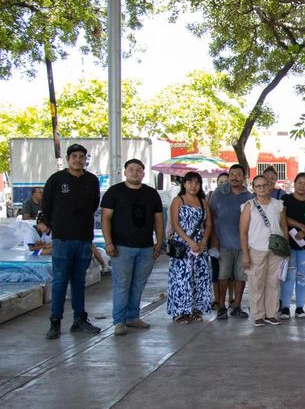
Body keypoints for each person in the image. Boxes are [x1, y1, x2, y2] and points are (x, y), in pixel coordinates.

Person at [41, 143, 101, 339]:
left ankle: (79, 320)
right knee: (60, 281)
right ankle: (55, 322)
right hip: (62, 239)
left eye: (81, 157)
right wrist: (58, 227)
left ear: (85, 159)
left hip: (84, 239)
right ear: (68, 159)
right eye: (74, 156)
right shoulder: (56, 179)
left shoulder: (92, 180)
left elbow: (93, 205)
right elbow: (47, 206)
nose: (78, 160)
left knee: (78, 281)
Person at [100, 158, 165, 336]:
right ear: (125, 172)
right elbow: (105, 218)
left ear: (143, 173)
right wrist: (108, 243)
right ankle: (119, 321)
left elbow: (158, 220)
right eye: (131, 169)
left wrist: (159, 242)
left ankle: (132, 316)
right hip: (121, 247)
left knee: (138, 284)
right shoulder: (114, 192)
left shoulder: (151, 194)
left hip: (146, 248)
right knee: (122, 284)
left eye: (138, 169)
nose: (135, 172)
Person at [240, 175, 289, 326]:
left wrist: (286, 248)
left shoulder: (278, 205)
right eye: (258, 186)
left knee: (273, 283)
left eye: (264, 185)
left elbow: (284, 226)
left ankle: (271, 314)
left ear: (269, 187)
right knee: (256, 283)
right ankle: (258, 315)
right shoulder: (249, 206)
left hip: (276, 250)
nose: (262, 188)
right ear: (253, 188)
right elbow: (242, 231)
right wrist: (246, 255)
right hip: (256, 249)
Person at [209, 164, 254, 320]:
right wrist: (214, 242)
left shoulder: (249, 197)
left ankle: (237, 307)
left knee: (241, 277)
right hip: (223, 244)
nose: (234, 177)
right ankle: (221, 307)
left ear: (243, 177)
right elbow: (211, 218)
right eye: (232, 174)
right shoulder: (218, 194)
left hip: (243, 245)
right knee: (223, 276)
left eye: (238, 174)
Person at [167, 171, 213, 324]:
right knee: (181, 278)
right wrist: (189, 242)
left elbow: (208, 224)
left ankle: (195, 309)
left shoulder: (203, 202)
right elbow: (176, 224)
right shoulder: (178, 200)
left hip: (200, 246)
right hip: (182, 245)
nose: (193, 185)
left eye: (197, 183)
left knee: (198, 278)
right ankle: (180, 312)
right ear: (184, 184)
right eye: (190, 182)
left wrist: (204, 240)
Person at [279, 172, 305, 319]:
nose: (302, 185)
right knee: (289, 275)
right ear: (294, 183)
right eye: (300, 182)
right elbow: (282, 218)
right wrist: (301, 226)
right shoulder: (286, 199)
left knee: (302, 276)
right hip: (289, 244)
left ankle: (300, 308)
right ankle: (285, 307)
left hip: (304, 245)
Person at [208, 172, 234, 310]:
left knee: (230, 273)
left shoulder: (234, 197)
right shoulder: (212, 197)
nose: (224, 184)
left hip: (231, 241)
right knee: (216, 272)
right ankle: (218, 300)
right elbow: (209, 220)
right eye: (221, 181)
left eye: (226, 181)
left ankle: (232, 298)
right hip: (215, 240)